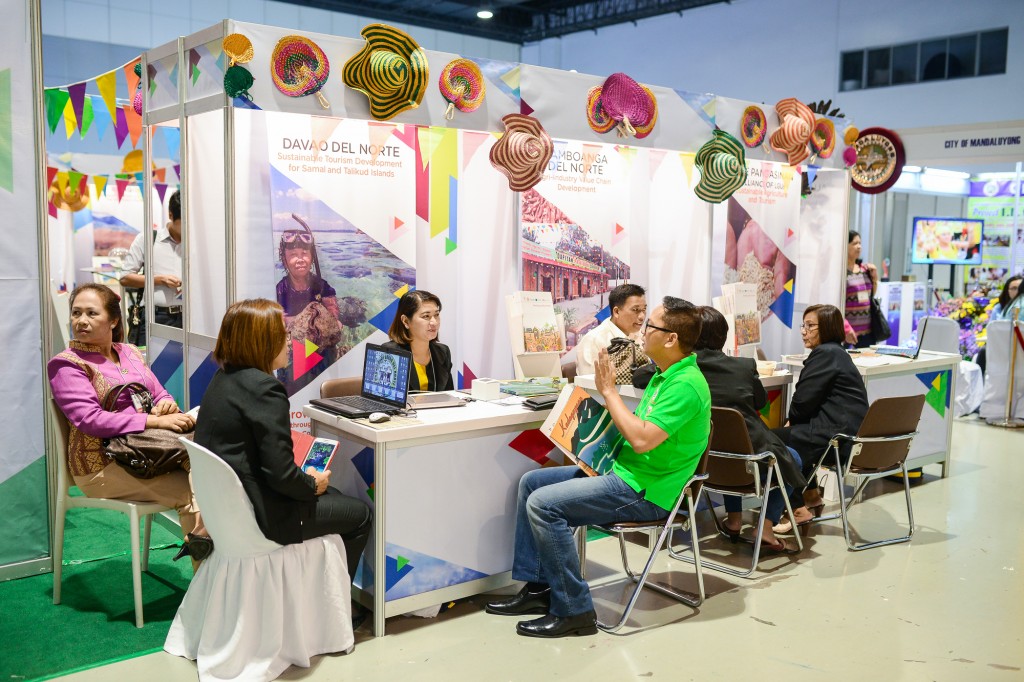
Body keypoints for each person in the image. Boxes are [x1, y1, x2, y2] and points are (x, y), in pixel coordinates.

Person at [485, 297, 710, 638]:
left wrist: (609, 393)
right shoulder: (665, 375)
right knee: (532, 482)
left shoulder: (685, 385)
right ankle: (538, 589)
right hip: (624, 473)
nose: (643, 330)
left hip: (646, 491)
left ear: (670, 339)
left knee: (543, 505)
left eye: (650, 325)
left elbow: (642, 440)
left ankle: (574, 610)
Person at [194, 299, 372, 594]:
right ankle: (337, 609)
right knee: (360, 515)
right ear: (263, 341)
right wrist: (311, 484)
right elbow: (281, 475)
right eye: (284, 334)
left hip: (235, 510)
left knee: (335, 494)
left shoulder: (224, 378)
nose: (291, 341)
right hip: (264, 516)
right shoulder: (265, 389)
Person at [47, 283, 209, 567]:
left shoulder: (130, 351)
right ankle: (206, 590)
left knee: (212, 481)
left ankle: (219, 581)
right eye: (76, 313)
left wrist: (166, 404)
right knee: (195, 493)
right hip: (101, 466)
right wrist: (155, 420)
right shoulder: (66, 365)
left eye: (91, 313)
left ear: (113, 320)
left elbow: (158, 392)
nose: (81, 321)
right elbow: (90, 419)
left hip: (150, 453)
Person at [693, 306, 803, 553]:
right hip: (746, 460)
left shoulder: (681, 369)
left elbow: (641, 377)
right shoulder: (742, 366)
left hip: (704, 463)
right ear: (723, 335)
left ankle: (734, 520)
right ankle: (765, 526)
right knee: (791, 458)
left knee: (728, 446)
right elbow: (761, 402)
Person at [773, 304, 868, 531]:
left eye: (810, 325)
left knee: (773, 441)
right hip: (848, 435)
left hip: (838, 438)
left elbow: (801, 402)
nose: (804, 331)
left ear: (826, 327)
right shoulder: (837, 353)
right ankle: (813, 496)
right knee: (795, 438)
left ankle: (798, 509)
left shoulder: (825, 354)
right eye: (803, 325)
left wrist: (791, 420)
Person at [120, 189, 184, 340]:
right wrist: (160, 280)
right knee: (147, 363)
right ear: (170, 215)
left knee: (185, 363)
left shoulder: (196, 244)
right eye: (183, 224)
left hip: (188, 318)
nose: (188, 229)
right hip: (154, 317)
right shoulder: (148, 239)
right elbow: (125, 278)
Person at [382, 290, 454, 392]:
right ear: (406, 321)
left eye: (436, 315)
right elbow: (384, 400)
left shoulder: (443, 351)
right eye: (426, 316)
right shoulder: (390, 353)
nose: (434, 322)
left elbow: (449, 396)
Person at [573, 283, 647, 375]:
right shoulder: (593, 340)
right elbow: (588, 384)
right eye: (635, 310)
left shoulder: (641, 335)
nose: (642, 316)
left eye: (644, 309)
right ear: (616, 311)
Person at [844, 231, 879, 348]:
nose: (859, 246)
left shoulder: (865, 269)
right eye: (854, 243)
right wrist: (846, 328)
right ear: (845, 245)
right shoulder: (842, 271)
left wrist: (875, 277)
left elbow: (871, 295)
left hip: (868, 333)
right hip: (849, 333)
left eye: (860, 243)